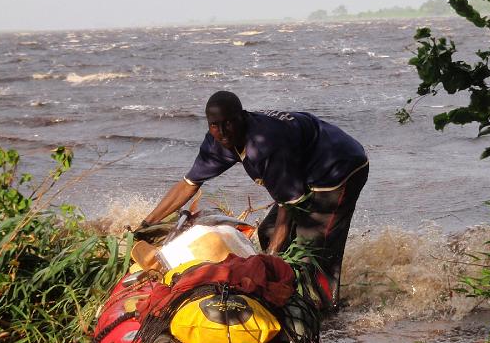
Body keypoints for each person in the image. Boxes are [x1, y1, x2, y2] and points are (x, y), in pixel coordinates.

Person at [140, 90, 368, 309]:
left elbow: (288, 207)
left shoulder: (264, 145)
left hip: (339, 166)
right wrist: (147, 224)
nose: (222, 132)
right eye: (214, 125)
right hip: (303, 165)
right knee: (268, 233)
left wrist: (267, 262)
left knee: (313, 246)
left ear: (242, 117)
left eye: (228, 123)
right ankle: (287, 284)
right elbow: (188, 184)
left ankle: (323, 307)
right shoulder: (216, 141)